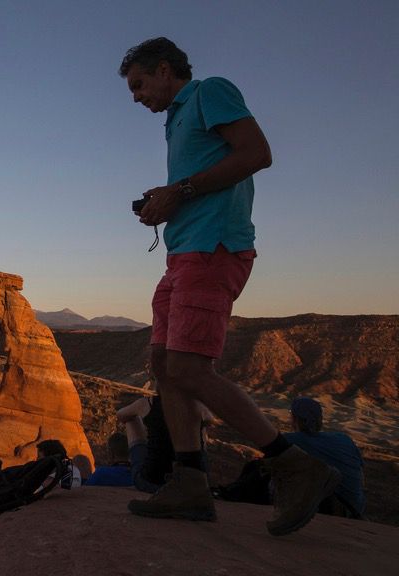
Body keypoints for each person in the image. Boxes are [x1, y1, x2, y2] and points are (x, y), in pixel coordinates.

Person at [119, 37, 339, 535]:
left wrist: (182, 190)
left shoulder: (207, 92)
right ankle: (191, 482)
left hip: (214, 249)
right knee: (162, 365)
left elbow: (257, 152)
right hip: (182, 254)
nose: (135, 96)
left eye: (138, 85)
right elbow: (198, 179)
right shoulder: (176, 120)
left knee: (190, 368)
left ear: (163, 69)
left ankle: (294, 465)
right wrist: (166, 196)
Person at [284, 398, 365, 518]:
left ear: (294, 419)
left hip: (334, 511)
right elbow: (361, 476)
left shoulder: (291, 440)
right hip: (356, 509)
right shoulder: (344, 439)